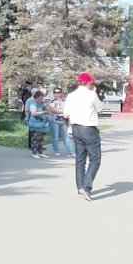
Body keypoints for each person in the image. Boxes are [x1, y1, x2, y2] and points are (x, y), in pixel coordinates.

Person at [63, 72, 104, 201]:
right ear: (87, 82)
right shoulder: (92, 94)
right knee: (95, 159)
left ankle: (80, 187)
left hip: (76, 129)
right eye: (91, 82)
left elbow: (65, 114)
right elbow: (100, 109)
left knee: (80, 159)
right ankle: (86, 187)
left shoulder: (71, 96)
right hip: (89, 129)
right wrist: (96, 93)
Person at [47, 87, 74, 157]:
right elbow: (51, 109)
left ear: (61, 93)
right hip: (54, 121)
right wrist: (62, 111)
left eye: (58, 92)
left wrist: (62, 111)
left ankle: (70, 151)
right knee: (55, 137)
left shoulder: (64, 101)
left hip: (63, 121)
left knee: (66, 137)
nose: (57, 94)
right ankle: (56, 151)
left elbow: (69, 110)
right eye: (55, 92)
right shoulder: (52, 101)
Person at [28, 90, 49, 159]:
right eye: (40, 97)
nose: (41, 99)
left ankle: (41, 152)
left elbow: (47, 111)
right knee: (35, 139)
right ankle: (34, 152)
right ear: (36, 97)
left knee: (41, 139)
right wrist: (44, 112)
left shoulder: (43, 104)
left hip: (42, 124)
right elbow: (34, 113)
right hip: (35, 124)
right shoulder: (33, 104)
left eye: (42, 97)